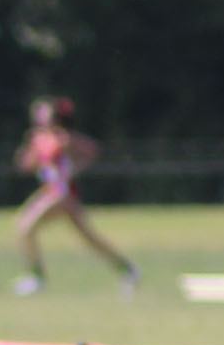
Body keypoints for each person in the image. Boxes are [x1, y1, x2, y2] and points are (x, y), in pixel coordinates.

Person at [11, 96, 140, 297]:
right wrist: (30, 150)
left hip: (62, 194)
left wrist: (74, 169)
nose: (39, 117)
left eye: (43, 113)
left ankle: (36, 278)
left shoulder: (64, 138)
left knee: (25, 226)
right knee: (88, 238)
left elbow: (92, 150)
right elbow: (25, 165)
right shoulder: (39, 139)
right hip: (50, 192)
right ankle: (128, 270)